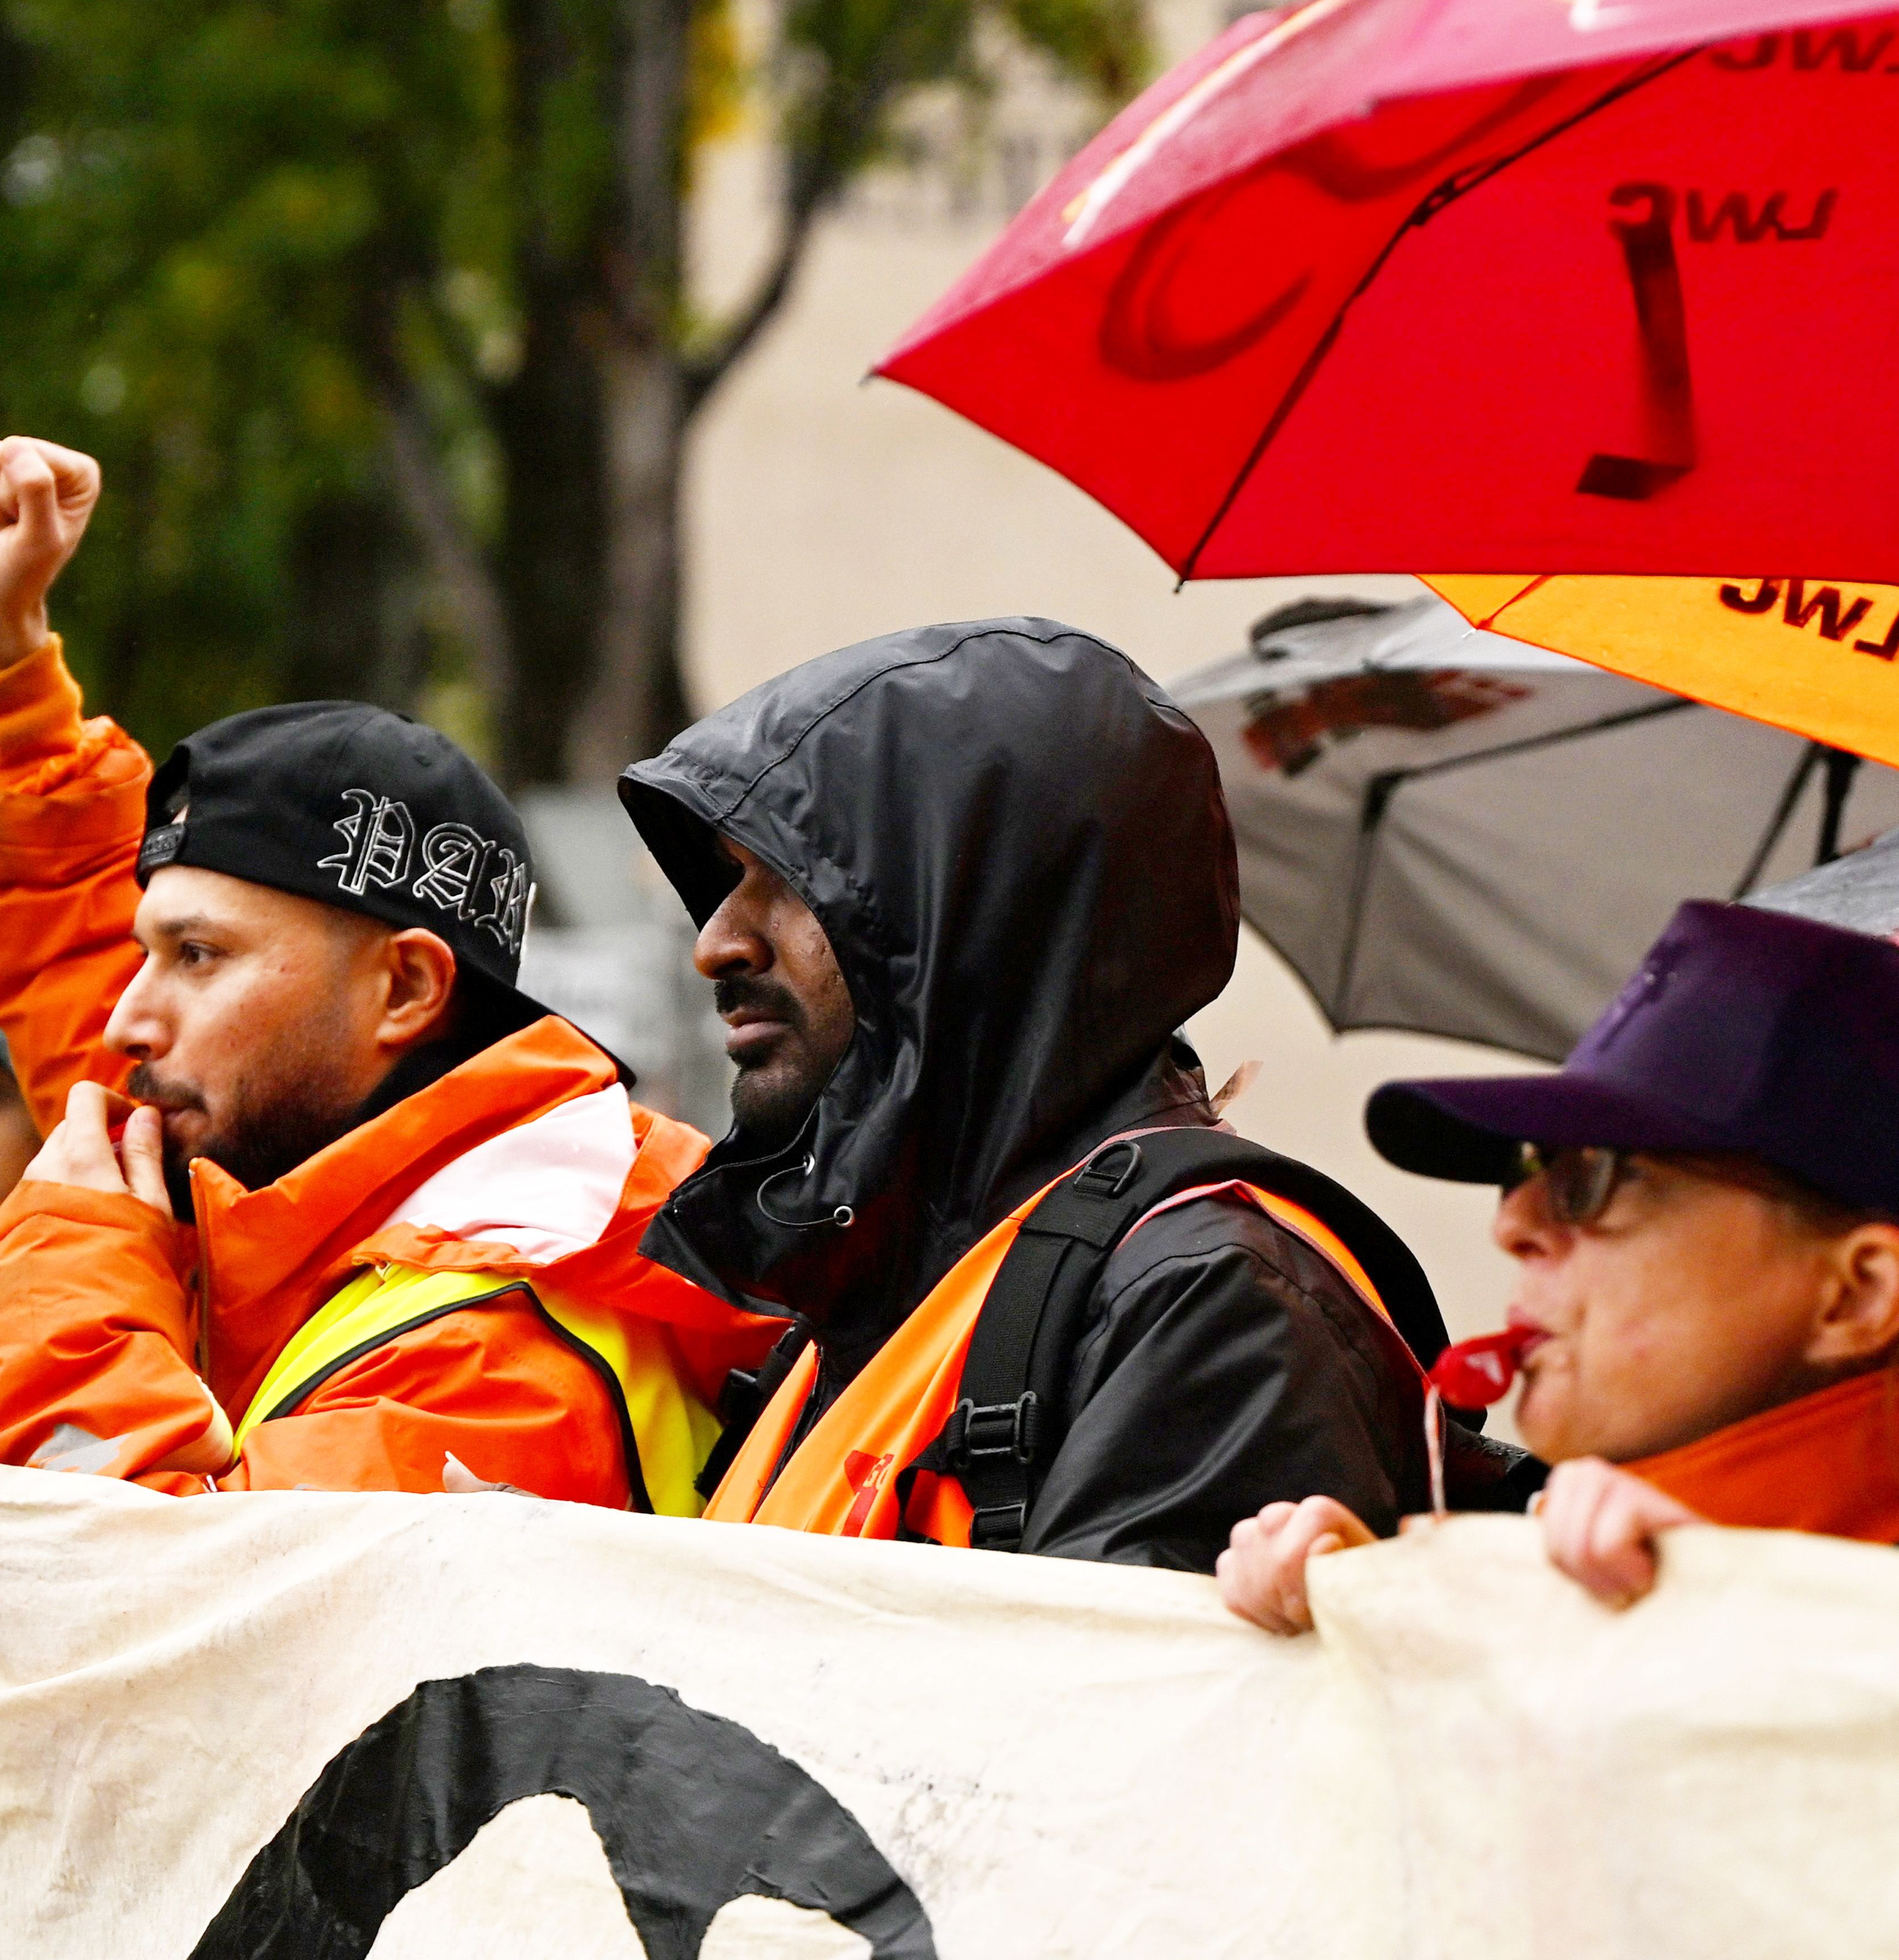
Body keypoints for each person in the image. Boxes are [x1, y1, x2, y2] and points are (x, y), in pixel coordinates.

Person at [0, 436, 779, 1505]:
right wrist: (4, 662)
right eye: (150, 951)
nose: (127, 1022)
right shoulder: (304, 1169)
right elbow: (74, 949)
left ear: (406, 991)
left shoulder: (505, 1356)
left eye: (197, 956)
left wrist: (58, 1281)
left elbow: (109, 1586)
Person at [618, 618, 1468, 1570]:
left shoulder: (1211, 1299)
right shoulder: (872, 1288)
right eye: (732, 878)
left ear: (976, 908)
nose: (716, 943)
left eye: (786, 875)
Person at [1219, 902, 1899, 1631]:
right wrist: (1378, 1637)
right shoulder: (1689, 1584)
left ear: (1858, 1294)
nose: (1513, 1224)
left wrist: (1727, 1620)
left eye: (1594, 1176)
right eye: (1529, 1168)